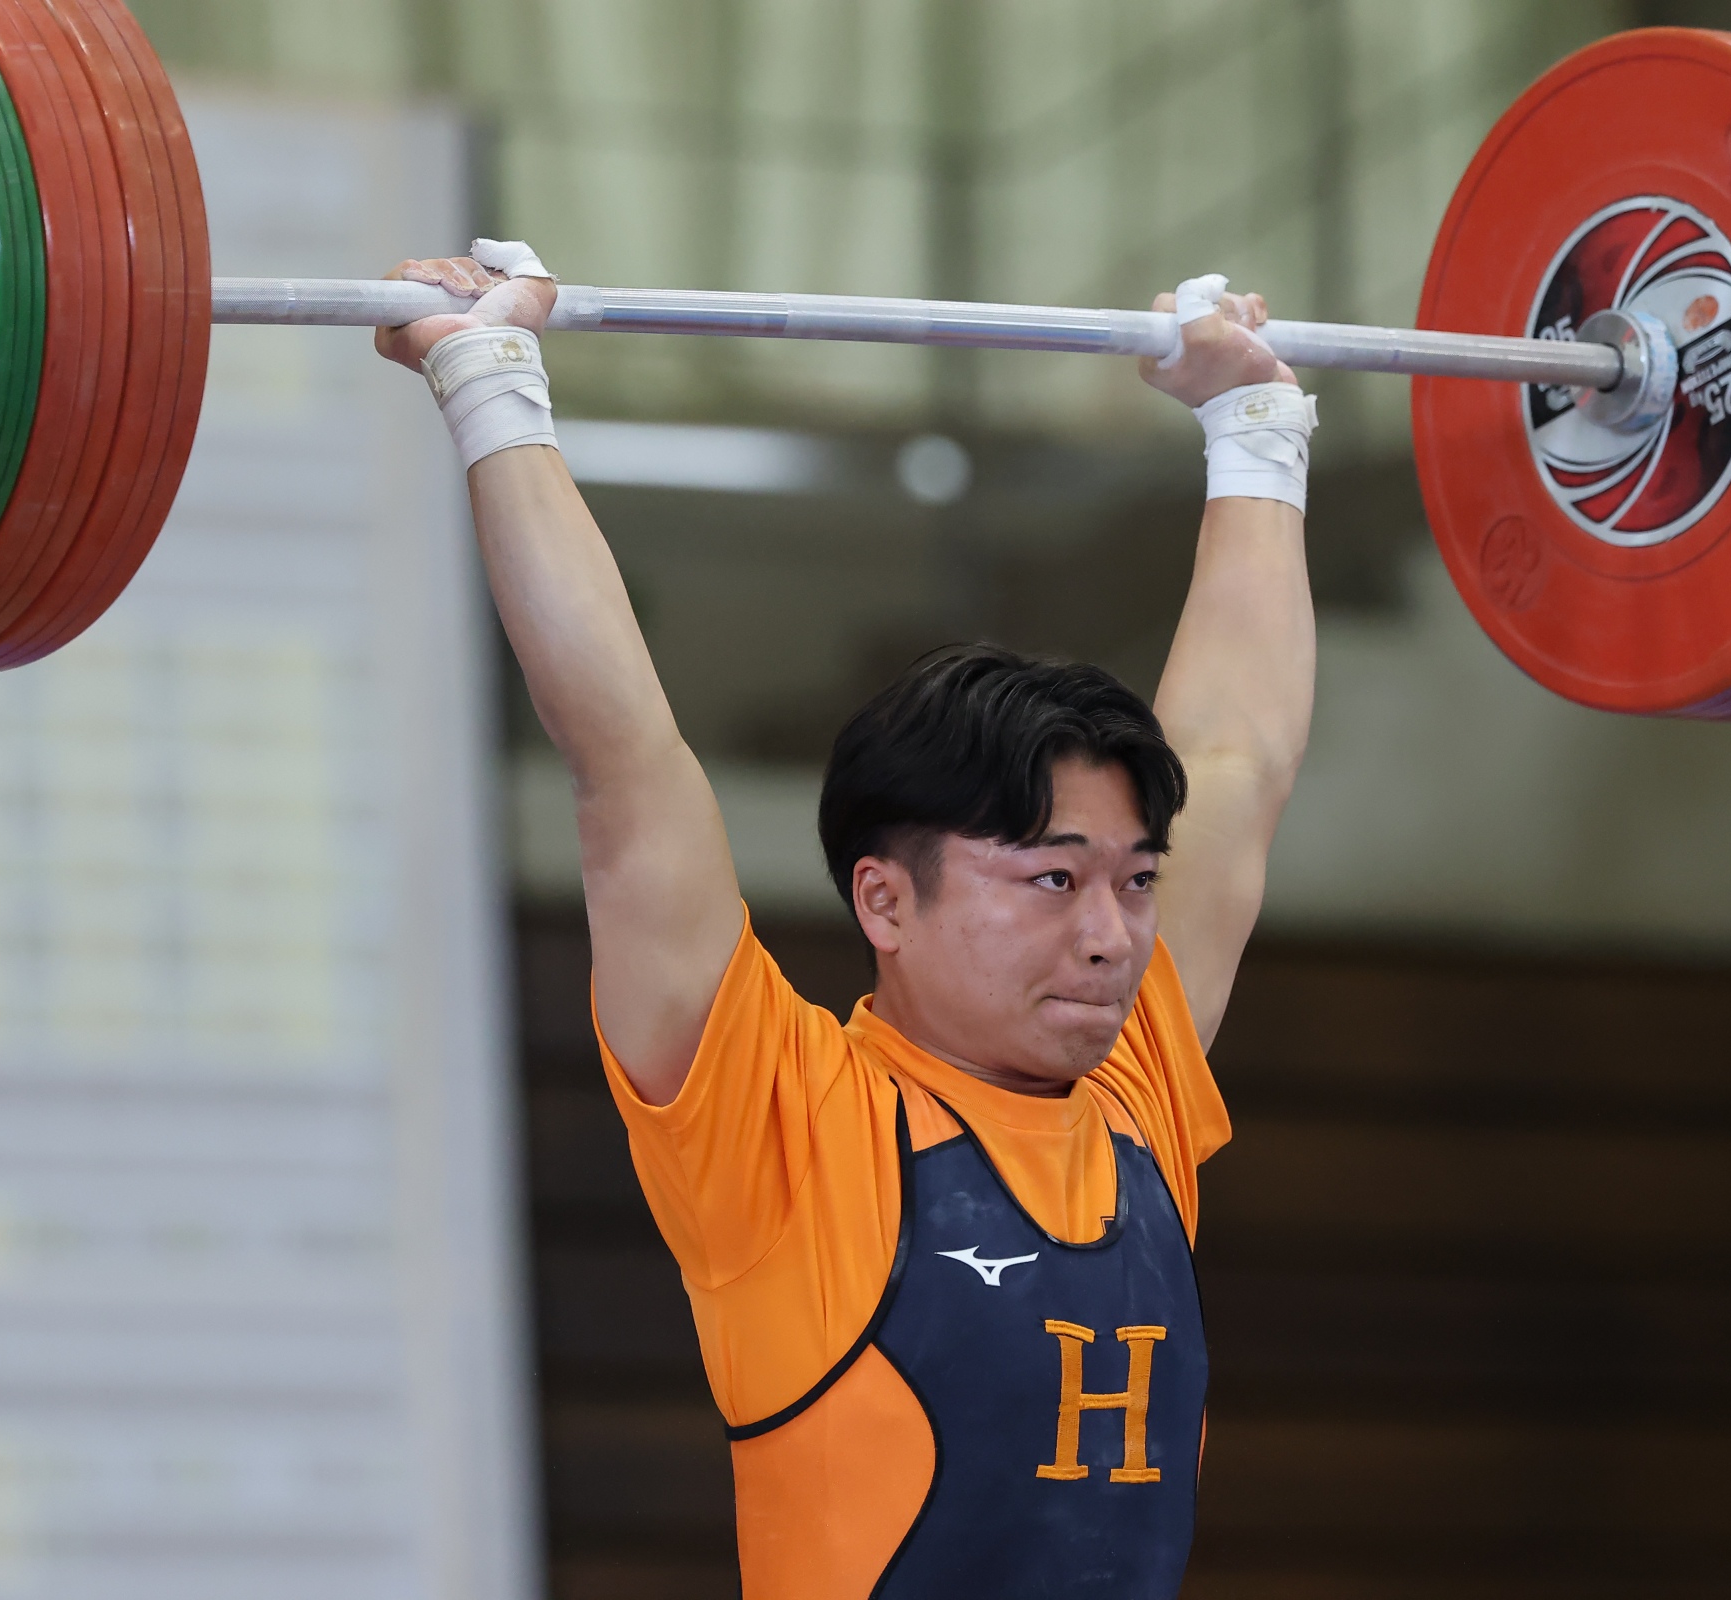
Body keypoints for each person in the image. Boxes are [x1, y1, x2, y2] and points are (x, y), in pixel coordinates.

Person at [377, 242, 1316, 1599]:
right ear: (884, 897)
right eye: (1053, 880)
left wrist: (1256, 422)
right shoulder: (788, 1126)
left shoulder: (1135, 1087)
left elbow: (1236, 756)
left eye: (1134, 880)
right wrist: (490, 380)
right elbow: (623, 757)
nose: (1113, 937)